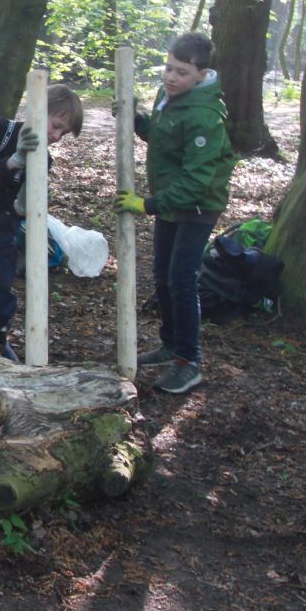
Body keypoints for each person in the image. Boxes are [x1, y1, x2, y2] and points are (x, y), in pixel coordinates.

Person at [115, 31, 234, 395]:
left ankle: (189, 361)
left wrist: (148, 205)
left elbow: (198, 179)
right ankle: (170, 344)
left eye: (181, 72)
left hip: (197, 206)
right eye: (168, 68)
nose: (171, 77)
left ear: (201, 74)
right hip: (172, 199)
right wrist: (137, 121)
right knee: (163, 275)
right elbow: (166, 141)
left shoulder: (204, 114)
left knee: (181, 279)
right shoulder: (170, 97)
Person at [0, 84, 84, 359]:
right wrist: (14, 161)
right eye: (55, 126)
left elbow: (23, 206)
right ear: (36, 111)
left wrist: (32, 197)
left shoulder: (44, 159)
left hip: (2, 230)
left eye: (62, 133)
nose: (55, 136)